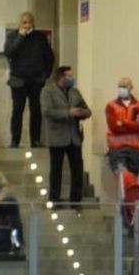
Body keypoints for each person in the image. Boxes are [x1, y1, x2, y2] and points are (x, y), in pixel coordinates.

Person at [41, 65, 91, 208]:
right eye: (69, 76)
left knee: (77, 169)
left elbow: (87, 110)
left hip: (74, 137)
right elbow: (47, 111)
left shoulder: (75, 92)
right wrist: (68, 113)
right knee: (56, 170)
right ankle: (54, 199)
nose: (71, 78)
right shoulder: (47, 91)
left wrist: (82, 112)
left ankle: (76, 200)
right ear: (61, 77)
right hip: (57, 136)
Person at [3, 11, 54, 148]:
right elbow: (9, 52)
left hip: (36, 80)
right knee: (17, 110)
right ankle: (15, 140)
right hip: (18, 79)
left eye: (29, 22)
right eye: (24, 22)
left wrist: (46, 74)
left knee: (36, 110)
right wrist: (21, 37)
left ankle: (35, 140)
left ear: (33, 23)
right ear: (19, 24)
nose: (27, 25)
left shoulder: (40, 37)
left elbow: (49, 57)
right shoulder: (12, 36)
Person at [105, 76, 139, 199]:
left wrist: (124, 123)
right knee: (123, 177)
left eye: (125, 86)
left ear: (131, 88)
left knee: (133, 180)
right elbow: (114, 127)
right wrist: (134, 124)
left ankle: (130, 210)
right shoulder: (111, 105)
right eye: (120, 86)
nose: (122, 89)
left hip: (135, 150)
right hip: (117, 149)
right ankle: (127, 208)